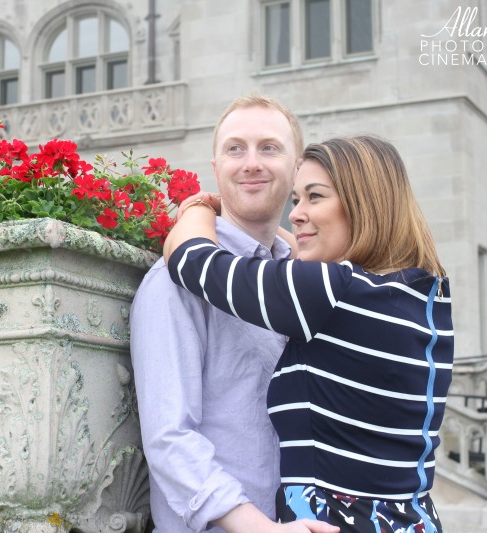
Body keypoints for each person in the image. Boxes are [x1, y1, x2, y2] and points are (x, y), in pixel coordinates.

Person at [163, 135, 454, 532]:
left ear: (364, 205)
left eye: (314, 197)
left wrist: (200, 206)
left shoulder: (334, 292)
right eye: (294, 200)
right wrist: (264, 228)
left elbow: (192, 261)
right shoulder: (424, 293)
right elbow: (300, 258)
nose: (295, 215)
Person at [130, 95, 338, 533]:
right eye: (235, 148)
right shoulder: (175, 282)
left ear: (296, 167)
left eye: (269, 147)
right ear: (216, 165)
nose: (251, 163)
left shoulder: (299, 279)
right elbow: (170, 439)